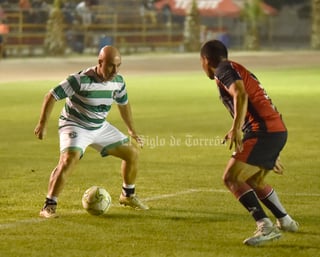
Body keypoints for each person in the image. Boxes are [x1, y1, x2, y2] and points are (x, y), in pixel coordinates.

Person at [200, 40, 298, 246]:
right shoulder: (235, 67)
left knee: (231, 178)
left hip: (263, 132)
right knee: (254, 179)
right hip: (273, 130)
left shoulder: (222, 69)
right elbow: (256, 100)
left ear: (205, 60)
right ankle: (285, 220)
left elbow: (241, 94)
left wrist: (237, 128)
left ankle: (265, 226)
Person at [34, 45, 149, 218]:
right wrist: (42, 124)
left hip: (99, 126)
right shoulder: (80, 80)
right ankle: (49, 206)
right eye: (111, 65)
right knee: (68, 160)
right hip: (74, 124)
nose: (115, 70)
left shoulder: (118, 81)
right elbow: (51, 95)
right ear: (100, 62)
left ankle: (127, 195)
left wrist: (131, 129)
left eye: (118, 66)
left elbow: (123, 104)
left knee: (132, 153)